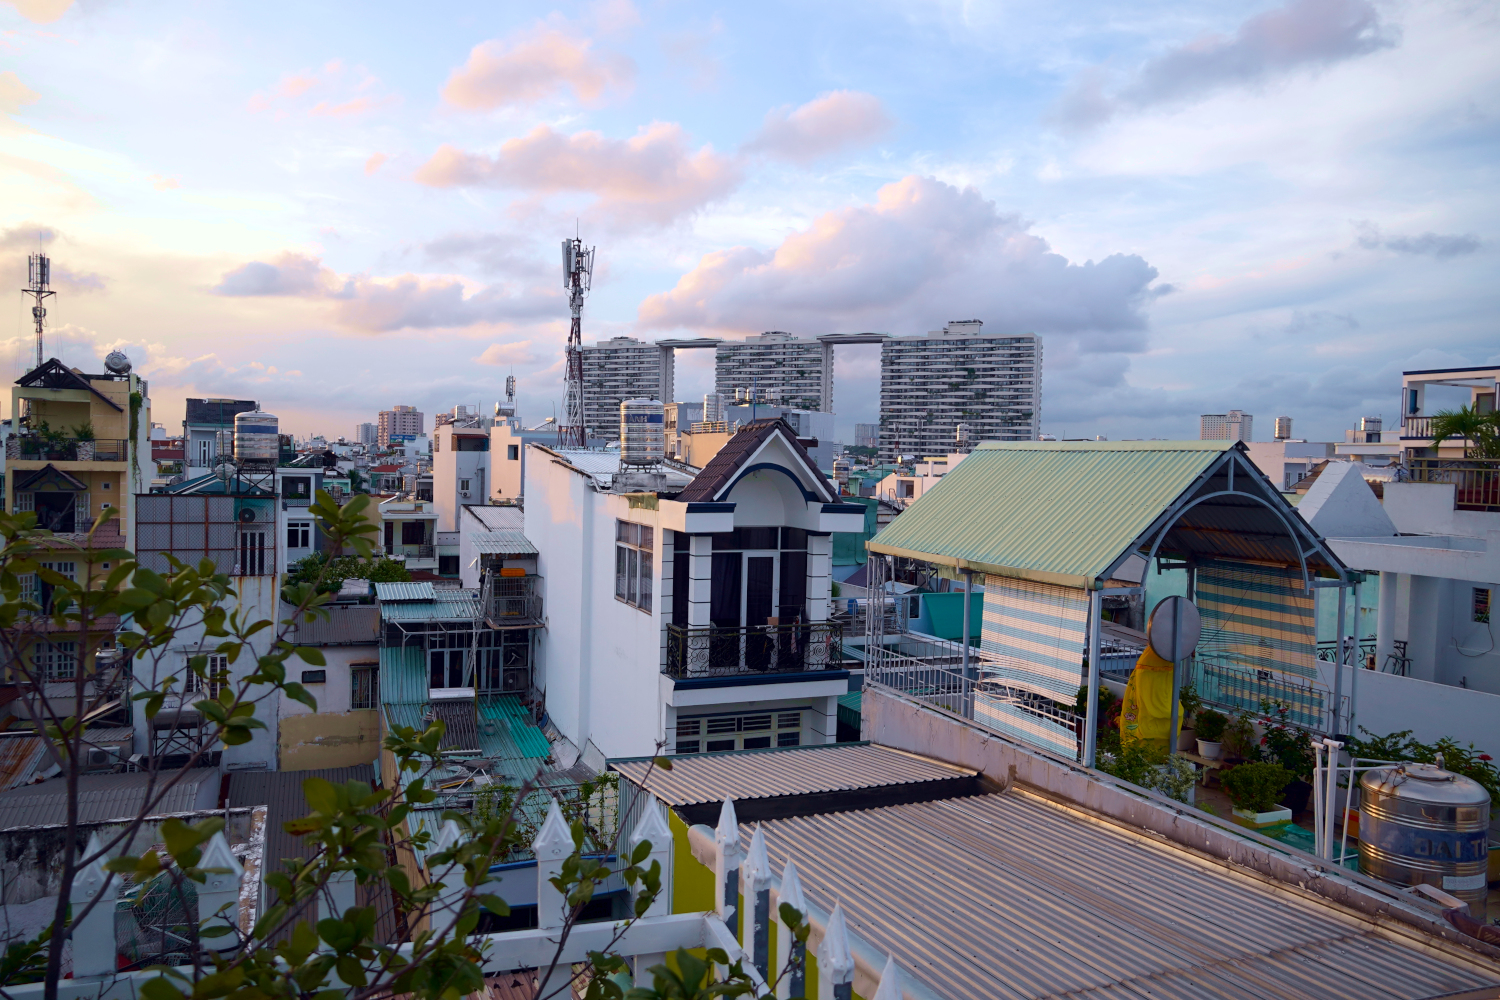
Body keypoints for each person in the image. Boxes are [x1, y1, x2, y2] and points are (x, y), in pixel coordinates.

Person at [1118, 646, 1181, 751]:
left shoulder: (1168, 645)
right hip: (1149, 670)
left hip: (1160, 670)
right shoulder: (1167, 644)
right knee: (1145, 711)